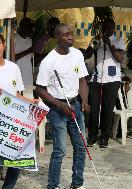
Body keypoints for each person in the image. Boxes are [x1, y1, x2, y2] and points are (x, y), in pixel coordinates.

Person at [35, 23, 90, 189]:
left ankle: (77, 183)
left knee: (81, 148)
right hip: (57, 109)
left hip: (75, 105)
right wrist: (59, 104)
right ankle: (53, 185)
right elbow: (39, 89)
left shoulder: (77, 54)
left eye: (71, 34)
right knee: (60, 151)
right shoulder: (48, 61)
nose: (70, 37)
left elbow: (82, 81)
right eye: (66, 35)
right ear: (57, 37)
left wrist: (85, 101)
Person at [0, 32, 38, 189]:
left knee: (16, 162)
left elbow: (16, 94)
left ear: (4, 45)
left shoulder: (13, 67)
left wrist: (31, 101)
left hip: (13, 122)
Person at [87, 18, 125, 148]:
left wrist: (109, 43)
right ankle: (92, 135)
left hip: (112, 79)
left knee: (107, 109)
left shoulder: (118, 40)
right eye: (104, 28)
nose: (107, 31)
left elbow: (120, 58)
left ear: (113, 28)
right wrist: (95, 41)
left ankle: (104, 137)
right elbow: (87, 54)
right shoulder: (96, 40)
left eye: (109, 28)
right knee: (94, 109)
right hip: (96, 78)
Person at [15, 17, 35, 87]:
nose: (32, 30)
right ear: (24, 27)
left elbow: (30, 59)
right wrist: (28, 51)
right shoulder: (14, 38)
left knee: (28, 97)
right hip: (17, 75)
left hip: (28, 76)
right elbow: (12, 58)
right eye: (30, 28)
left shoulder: (30, 40)